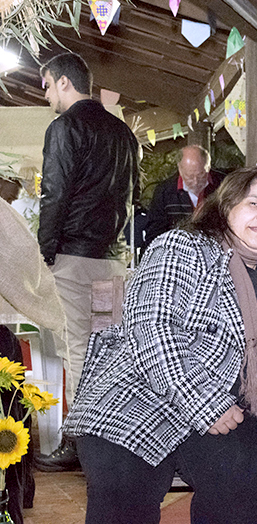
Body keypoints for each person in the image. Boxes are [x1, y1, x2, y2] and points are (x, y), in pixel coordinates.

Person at [61, 166, 257, 524]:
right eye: (254, 203)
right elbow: (153, 329)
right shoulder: (182, 247)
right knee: (122, 486)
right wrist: (205, 403)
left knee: (237, 478)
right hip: (142, 394)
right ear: (227, 205)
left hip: (236, 407)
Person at [36, 52, 140, 472]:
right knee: (108, 352)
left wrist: (45, 250)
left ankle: (81, 446)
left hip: (73, 258)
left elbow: (55, 193)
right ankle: (110, 442)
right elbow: (131, 198)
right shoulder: (123, 133)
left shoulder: (64, 127)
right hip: (112, 260)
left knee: (79, 351)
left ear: (64, 82)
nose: (46, 95)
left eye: (47, 85)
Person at [143, 145, 224, 250]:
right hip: (177, 251)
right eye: (190, 176)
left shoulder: (223, 185)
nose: (195, 181)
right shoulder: (164, 191)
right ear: (180, 169)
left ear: (208, 167)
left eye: (201, 175)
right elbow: (155, 233)